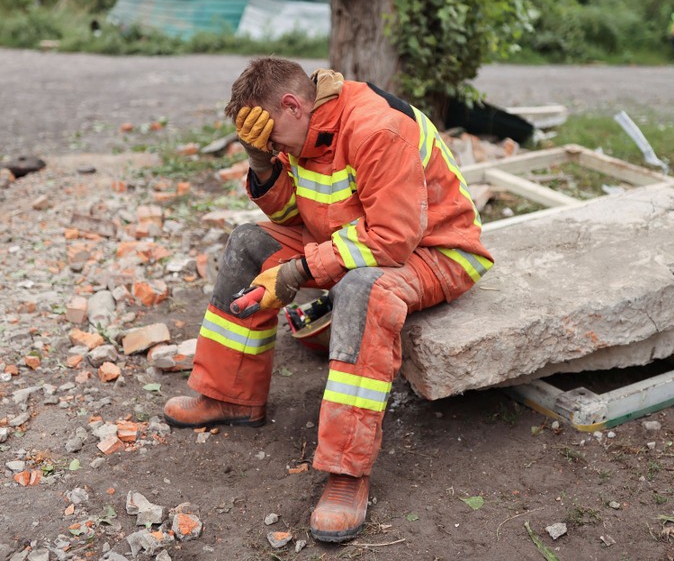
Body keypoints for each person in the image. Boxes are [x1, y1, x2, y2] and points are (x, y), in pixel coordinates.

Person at [162, 57, 494, 542]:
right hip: (351, 239)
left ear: (294, 105)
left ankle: (347, 472)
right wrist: (261, 163)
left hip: (436, 251)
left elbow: (391, 240)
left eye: (272, 139)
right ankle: (229, 397)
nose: (274, 147)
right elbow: (298, 212)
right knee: (247, 243)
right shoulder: (305, 127)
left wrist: (298, 271)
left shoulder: (377, 127)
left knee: (363, 288)